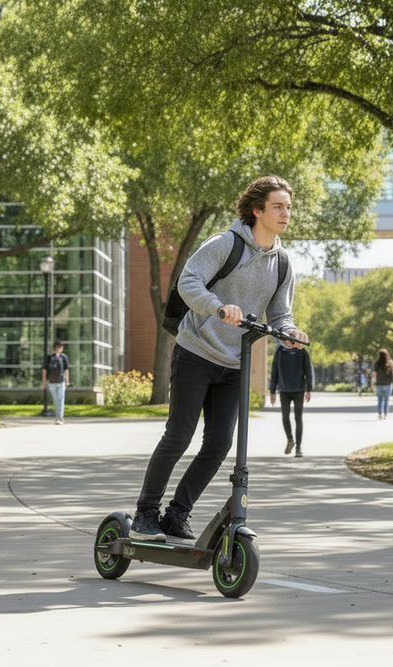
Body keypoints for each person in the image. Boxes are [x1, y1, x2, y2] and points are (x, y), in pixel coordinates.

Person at [130, 176, 308, 541]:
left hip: (234, 362)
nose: (285, 213)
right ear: (257, 210)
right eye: (278, 206)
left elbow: (280, 314)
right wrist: (216, 307)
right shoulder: (226, 244)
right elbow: (188, 281)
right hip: (196, 350)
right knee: (179, 435)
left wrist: (289, 333)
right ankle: (146, 514)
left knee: (219, 444)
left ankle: (177, 514)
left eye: (288, 207)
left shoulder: (283, 263)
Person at [269, 340, 313, 457]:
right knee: (285, 417)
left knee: (298, 418)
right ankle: (290, 440)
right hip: (284, 390)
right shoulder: (279, 351)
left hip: (299, 389)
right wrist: (272, 391)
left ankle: (298, 448)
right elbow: (275, 370)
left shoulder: (301, 351)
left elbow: (308, 369)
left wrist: (309, 389)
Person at [42, 341, 69, 425]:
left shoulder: (64, 357)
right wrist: (44, 381)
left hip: (61, 381)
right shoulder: (49, 357)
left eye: (59, 347)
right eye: (57, 347)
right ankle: (58, 416)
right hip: (52, 382)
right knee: (56, 400)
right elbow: (44, 370)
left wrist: (67, 380)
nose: (58, 349)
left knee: (60, 399)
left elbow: (66, 370)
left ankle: (60, 417)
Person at [371, 348, 393, 420]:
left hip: (379, 383)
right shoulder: (390, 363)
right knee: (387, 400)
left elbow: (375, 373)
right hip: (388, 383)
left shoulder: (377, 363)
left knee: (380, 400)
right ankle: (386, 414)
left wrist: (374, 381)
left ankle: (380, 414)